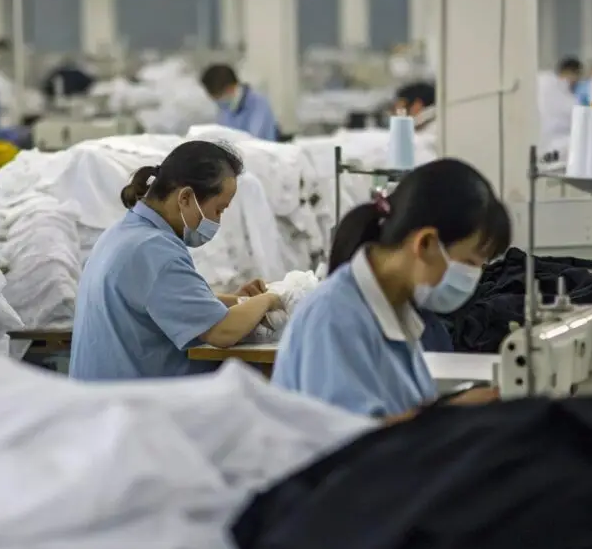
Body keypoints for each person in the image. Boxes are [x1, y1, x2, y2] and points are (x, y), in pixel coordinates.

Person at [271, 159, 511, 420]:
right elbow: (348, 437)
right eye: (469, 263)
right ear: (426, 243)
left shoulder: (399, 312)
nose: (473, 278)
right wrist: (447, 418)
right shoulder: (333, 316)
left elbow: (404, 414)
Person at [70, 140, 281, 381]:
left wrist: (238, 302)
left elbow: (162, 300)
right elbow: (223, 332)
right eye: (219, 210)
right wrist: (271, 298)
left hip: (103, 393)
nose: (217, 221)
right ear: (186, 198)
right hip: (137, 398)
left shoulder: (122, 234)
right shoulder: (155, 250)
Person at [200, 64, 279, 142]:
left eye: (218, 97)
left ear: (229, 88)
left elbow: (254, 140)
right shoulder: (226, 108)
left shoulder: (258, 104)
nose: (218, 102)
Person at [538, 57, 583, 155]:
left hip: (540, 144)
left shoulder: (542, 80)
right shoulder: (568, 99)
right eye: (577, 75)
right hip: (555, 146)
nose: (577, 81)